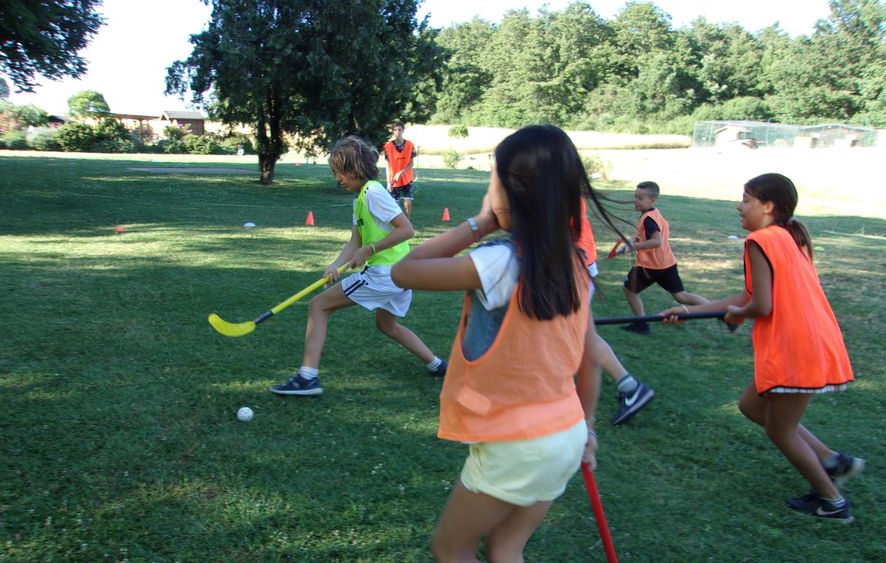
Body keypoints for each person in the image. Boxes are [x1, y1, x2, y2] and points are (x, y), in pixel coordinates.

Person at [392, 125, 620, 561]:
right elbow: (590, 358)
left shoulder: (498, 262)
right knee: (505, 547)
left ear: (510, 191)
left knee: (451, 548)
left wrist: (479, 223)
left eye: (492, 178)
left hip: (517, 442)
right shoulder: (575, 264)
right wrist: (587, 428)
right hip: (566, 433)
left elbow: (405, 270)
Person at [661, 173, 863, 523]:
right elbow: (752, 297)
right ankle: (833, 461)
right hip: (809, 342)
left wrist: (737, 315)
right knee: (751, 406)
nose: (739, 206)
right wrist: (690, 311)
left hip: (795, 347)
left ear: (768, 206)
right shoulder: (788, 237)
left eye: (746, 199)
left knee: (779, 428)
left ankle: (832, 502)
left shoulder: (760, 241)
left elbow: (759, 306)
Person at [270, 136, 447, 396]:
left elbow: (407, 230)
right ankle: (437, 365)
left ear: (354, 169)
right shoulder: (361, 199)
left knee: (318, 306)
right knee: (387, 325)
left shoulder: (374, 193)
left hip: (385, 275)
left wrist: (370, 250)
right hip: (400, 275)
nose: (338, 179)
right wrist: (335, 264)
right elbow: (355, 241)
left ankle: (307, 378)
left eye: (341, 172)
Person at [577, 199, 655, 425]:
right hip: (574, 261)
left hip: (572, 264)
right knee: (573, 331)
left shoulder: (551, 176)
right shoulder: (554, 173)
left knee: (578, 332)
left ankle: (630, 387)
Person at [622, 181, 708, 334]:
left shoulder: (648, 219)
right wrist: (631, 242)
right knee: (681, 296)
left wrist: (634, 246)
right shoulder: (654, 214)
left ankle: (641, 324)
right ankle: (719, 311)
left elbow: (656, 241)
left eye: (640, 198)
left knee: (629, 290)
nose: (636, 201)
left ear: (652, 200)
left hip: (649, 266)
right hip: (667, 263)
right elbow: (643, 236)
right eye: (635, 197)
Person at [383, 121, 418, 217]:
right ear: (393, 132)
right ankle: (399, 224)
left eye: (399, 129)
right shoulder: (388, 146)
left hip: (407, 178)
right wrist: (388, 182)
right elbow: (387, 165)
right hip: (394, 179)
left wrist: (401, 173)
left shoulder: (410, 145)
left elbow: (411, 163)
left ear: (403, 131)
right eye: (395, 130)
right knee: (394, 204)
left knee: (408, 200)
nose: (397, 132)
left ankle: (407, 222)